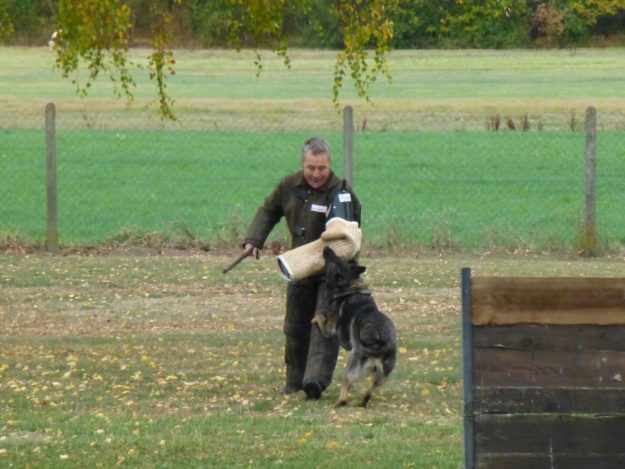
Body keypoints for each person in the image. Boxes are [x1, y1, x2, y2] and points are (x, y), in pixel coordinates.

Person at [242, 137, 361, 399]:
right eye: (311, 168)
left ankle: (314, 382)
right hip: (299, 265)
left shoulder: (341, 194)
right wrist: (254, 240)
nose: (316, 174)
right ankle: (294, 383)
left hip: (332, 273)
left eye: (322, 168)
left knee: (323, 325)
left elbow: (350, 237)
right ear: (302, 164)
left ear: (329, 164)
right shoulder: (289, 186)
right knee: (295, 327)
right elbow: (269, 210)